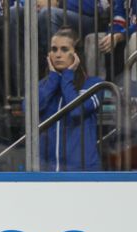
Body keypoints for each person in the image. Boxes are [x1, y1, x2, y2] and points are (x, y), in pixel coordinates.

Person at [38, 27, 103, 171]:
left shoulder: (94, 84)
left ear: (76, 55)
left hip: (83, 174)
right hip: (46, 174)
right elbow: (30, 109)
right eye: (54, 49)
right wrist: (54, 78)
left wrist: (67, 76)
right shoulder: (43, 85)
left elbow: (77, 111)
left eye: (64, 49)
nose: (58, 55)